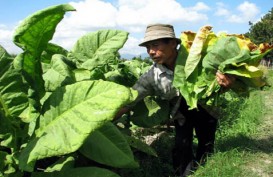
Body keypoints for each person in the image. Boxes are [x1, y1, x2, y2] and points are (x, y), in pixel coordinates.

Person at [115, 24, 234, 177]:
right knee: (181, 147)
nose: (151, 51)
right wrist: (108, 118)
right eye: (148, 47)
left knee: (206, 144)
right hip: (181, 113)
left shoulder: (198, 59)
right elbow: (131, 99)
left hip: (205, 109)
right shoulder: (152, 76)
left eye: (155, 45)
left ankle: (207, 170)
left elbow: (224, 78)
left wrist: (226, 81)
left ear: (172, 43)